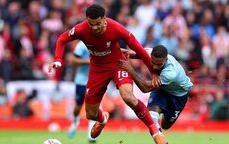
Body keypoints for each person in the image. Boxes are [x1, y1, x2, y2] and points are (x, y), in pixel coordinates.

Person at [48, 4, 167, 144]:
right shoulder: (81, 29)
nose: (94, 28)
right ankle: (102, 120)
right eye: (91, 24)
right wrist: (58, 59)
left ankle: (155, 132)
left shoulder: (116, 28)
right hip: (97, 69)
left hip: (118, 65)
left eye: (98, 24)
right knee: (90, 114)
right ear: (87, 20)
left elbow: (139, 49)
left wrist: (153, 73)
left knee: (129, 97)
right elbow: (62, 39)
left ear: (104, 19)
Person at [118, 45, 193, 136]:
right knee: (152, 117)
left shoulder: (170, 73)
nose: (155, 67)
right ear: (151, 56)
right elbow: (128, 52)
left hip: (179, 95)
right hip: (161, 89)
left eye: (159, 64)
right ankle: (161, 141)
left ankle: (166, 114)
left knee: (165, 126)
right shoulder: (148, 52)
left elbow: (145, 88)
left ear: (165, 60)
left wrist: (130, 70)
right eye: (153, 62)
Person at [67, 41, 96, 144]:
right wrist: (89, 61)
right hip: (82, 80)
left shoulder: (102, 41)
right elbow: (73, 59)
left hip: (96, 81)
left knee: (93, 107)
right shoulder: (82, 44)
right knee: (78, 106)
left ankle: (91, 134)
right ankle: (75, 123)